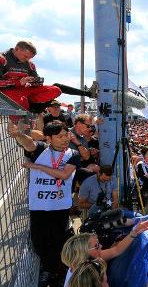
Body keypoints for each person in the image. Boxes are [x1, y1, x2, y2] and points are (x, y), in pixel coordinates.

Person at [7, 120, 80, 286]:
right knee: (39, 243)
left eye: (66, 134)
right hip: (38, 207)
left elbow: (63, 175)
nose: (65, 139)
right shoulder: (40, 149)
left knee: (58, 242)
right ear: (48, 138)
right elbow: (29, 144)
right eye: (59, 136)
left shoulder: (72, 154)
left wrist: (36, 167)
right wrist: (18, 134)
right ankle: (49, 269)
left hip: (60, 207)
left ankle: (56, 273)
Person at [61, 220, 148, 286]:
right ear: (82, 255)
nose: (101, 246)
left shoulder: (87, 263)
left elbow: (116, 250)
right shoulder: (83, 281)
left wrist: (134, 232)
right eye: (96, 246)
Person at [0, 41, 61, 112]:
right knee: (21, 101)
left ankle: (30, 104)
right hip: (6, 92)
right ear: (17, 49)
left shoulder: (30, 64)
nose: (27, 60)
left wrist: (36, 82)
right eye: (25, 56)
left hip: (25, 90)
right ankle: (24, 107)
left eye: (29, 58)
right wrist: (18, 82)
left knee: (56, 90)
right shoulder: (2, 59)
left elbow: (35, 81)